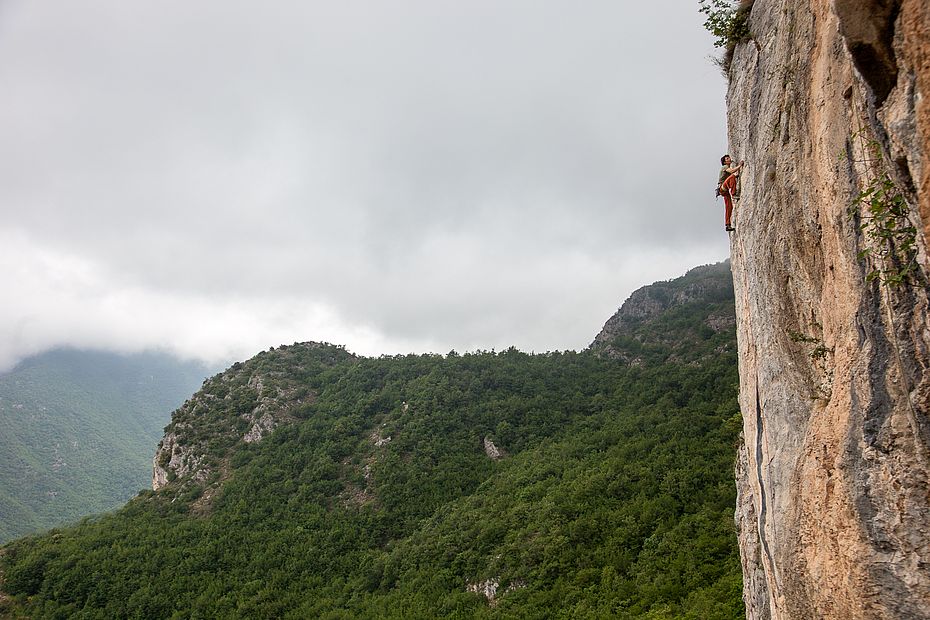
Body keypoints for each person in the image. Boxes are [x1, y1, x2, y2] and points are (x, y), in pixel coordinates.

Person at [718, 154, 744, 232]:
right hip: (722, 188)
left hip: (724, 191)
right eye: (727, 158)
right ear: (724, 162)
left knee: (729, 207)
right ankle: (734, 194)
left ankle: (728, 225)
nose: (729, 159)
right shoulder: (725, 167)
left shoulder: (727, 168)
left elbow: (730, 175)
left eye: (728, 158)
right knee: (732, 176)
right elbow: (732, 172)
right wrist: (740, 165)